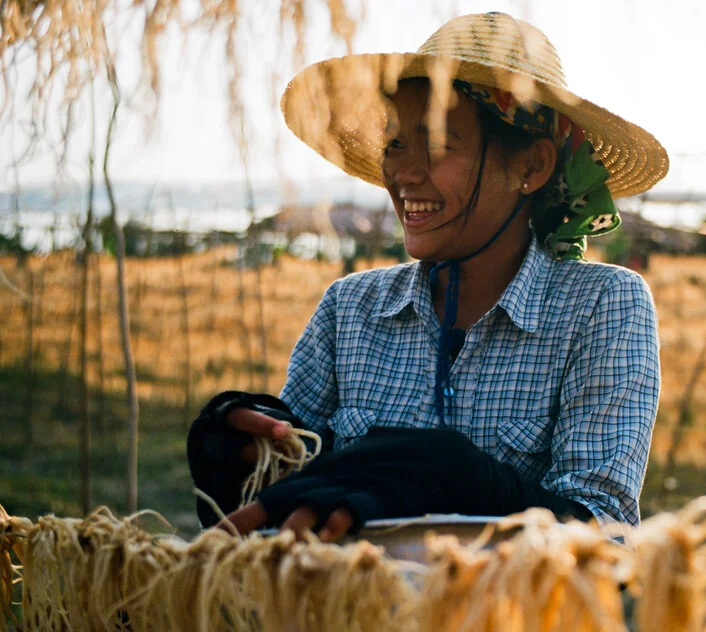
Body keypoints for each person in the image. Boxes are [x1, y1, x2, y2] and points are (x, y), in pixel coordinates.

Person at [187, 12, 668, 542]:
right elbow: (293, 497)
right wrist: (237, 449)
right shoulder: (349, 310)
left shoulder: (601, 306)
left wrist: (455, 477)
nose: (403, 173)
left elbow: (605, 536)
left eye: (437, 143)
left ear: (531, 166)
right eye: (395, 143)